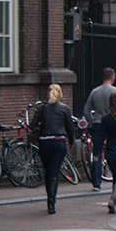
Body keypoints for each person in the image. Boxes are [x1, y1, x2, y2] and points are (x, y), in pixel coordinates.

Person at [33, 83, 80, 214]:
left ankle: (49, 199)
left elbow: (32, 125)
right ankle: (51, 204)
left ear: (48, 94)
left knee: (48, 171)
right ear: (60, 94)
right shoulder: (65, 108)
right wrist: (71, 141)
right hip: (59, 142)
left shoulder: (41, 108)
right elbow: (70, 127)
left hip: (44, 142)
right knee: (54, 172)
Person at [80, 67, 116, 190]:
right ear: (112, 77)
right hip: (112, 123)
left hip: (98, 123)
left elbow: (86, 111)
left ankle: (96, 183)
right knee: (115, 150)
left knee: (96, 153)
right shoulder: (115, 91)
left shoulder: (95, 92)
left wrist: (92, 122)